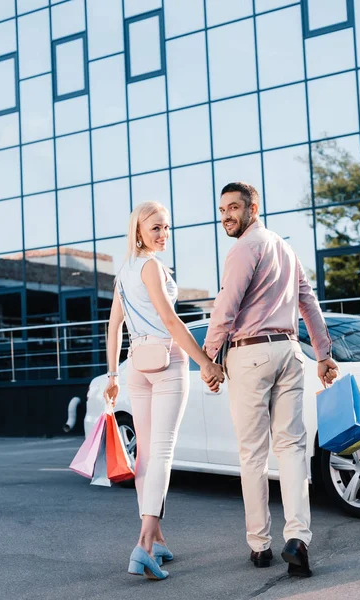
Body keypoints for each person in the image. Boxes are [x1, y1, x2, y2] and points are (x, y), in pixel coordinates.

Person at [203, 182, 338, 578]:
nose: (226, 215)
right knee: (293, 448)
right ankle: (297, 539)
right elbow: (308, 302)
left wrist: (209, 358)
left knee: (253, 454)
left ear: (253, 207)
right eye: (222, 209)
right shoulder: (285, 247)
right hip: (290, 352)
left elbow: (225, 307)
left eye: (233, 207)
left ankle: (260, 545)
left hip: (251, 353)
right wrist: (324, 354)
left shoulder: (245, 247)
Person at [104, 201, 224, 581]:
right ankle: (142, 546)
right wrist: (204, 361)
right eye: (155, 228)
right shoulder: (151, 267)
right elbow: (170, 319)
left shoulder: (123, 271)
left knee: (146, 456)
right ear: (138, 230)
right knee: (162, 452)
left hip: (136, 363)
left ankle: (156, 539)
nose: (162, 234)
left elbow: (114, 327)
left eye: (167, 228)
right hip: (167, 362)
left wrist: (112, 374)